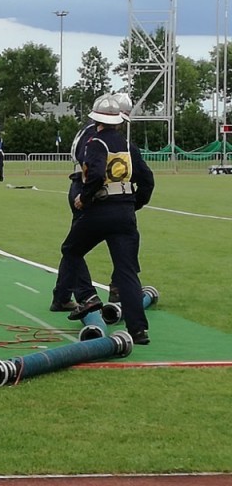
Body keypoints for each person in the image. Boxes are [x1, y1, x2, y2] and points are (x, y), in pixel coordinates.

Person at [59, 94, 155, 345]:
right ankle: (139, 330)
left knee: (71, 250)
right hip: (125, 213)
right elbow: (147, 180)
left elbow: (96, 174)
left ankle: (87, 296)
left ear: (97, 120)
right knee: (127, 272)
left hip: (99, 211)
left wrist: (84, 198)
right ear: (120, 120)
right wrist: (134, 203)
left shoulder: (95, 142)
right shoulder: (128, 146)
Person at [50, 92, 136, 312]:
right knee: (77, 247)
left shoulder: (91, 130)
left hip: (89, 188)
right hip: (90, 190)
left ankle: (62, 295)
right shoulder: (95, 135)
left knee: (74, 246)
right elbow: (92, 167)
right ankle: (89, 294)